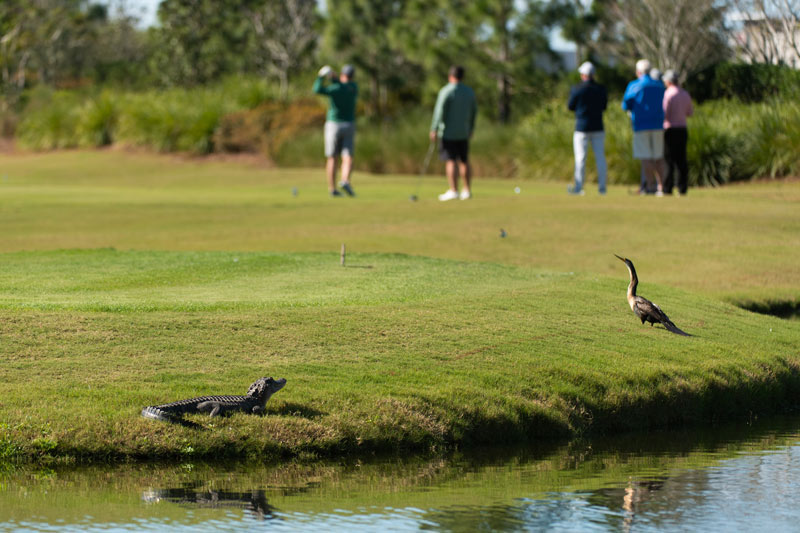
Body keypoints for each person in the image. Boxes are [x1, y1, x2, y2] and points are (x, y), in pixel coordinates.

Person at [430, 65, 478, 201]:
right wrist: (471, 128)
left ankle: (454, 190)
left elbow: (439, 112)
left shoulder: (446, 91)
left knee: (451, 161)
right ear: (462, 77)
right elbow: (474, 112)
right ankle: (467, 190)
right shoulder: (469, 92)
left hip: (448, 132)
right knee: (464, 160)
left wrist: (434, 128)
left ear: (450, 76)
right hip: (464, 132)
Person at [313, 64, 358, 197]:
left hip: (333, 125)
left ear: (343, 75)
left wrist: (321, 77)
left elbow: (317, 90)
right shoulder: (353, 88)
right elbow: (343, 85)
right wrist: (334, 77)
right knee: (347, 156)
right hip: (349, 125)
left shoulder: (335, 88)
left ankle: (332, 189)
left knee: (332, 158)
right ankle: (345, 180)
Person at [622, 59, 666, 196]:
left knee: (646, 157)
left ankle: (650, 186)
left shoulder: (634, 85)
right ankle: (663, 187)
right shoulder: (659, 85)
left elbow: (626, 105)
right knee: (659, 157)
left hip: (641, 125)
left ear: (638, 71)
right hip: (658, 124)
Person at [567, 61, 608, 195]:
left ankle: (579, 188)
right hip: (598, 126)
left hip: (582, 127)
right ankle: (602, 188)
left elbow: (570, 106)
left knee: (580, 158)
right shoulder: (601, 89)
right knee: (600, 158)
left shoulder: (577, 88)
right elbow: (604, 106)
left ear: (583, 75)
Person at [662, 69, 694, 195]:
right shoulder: (685, 94)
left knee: (669, 160)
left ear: (669, 82)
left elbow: (664, 113)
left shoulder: (668, 94)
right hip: (682, 129)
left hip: (670, 129)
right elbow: (690, 113)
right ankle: (682, 188)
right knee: (681, 159)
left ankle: (667, 188)